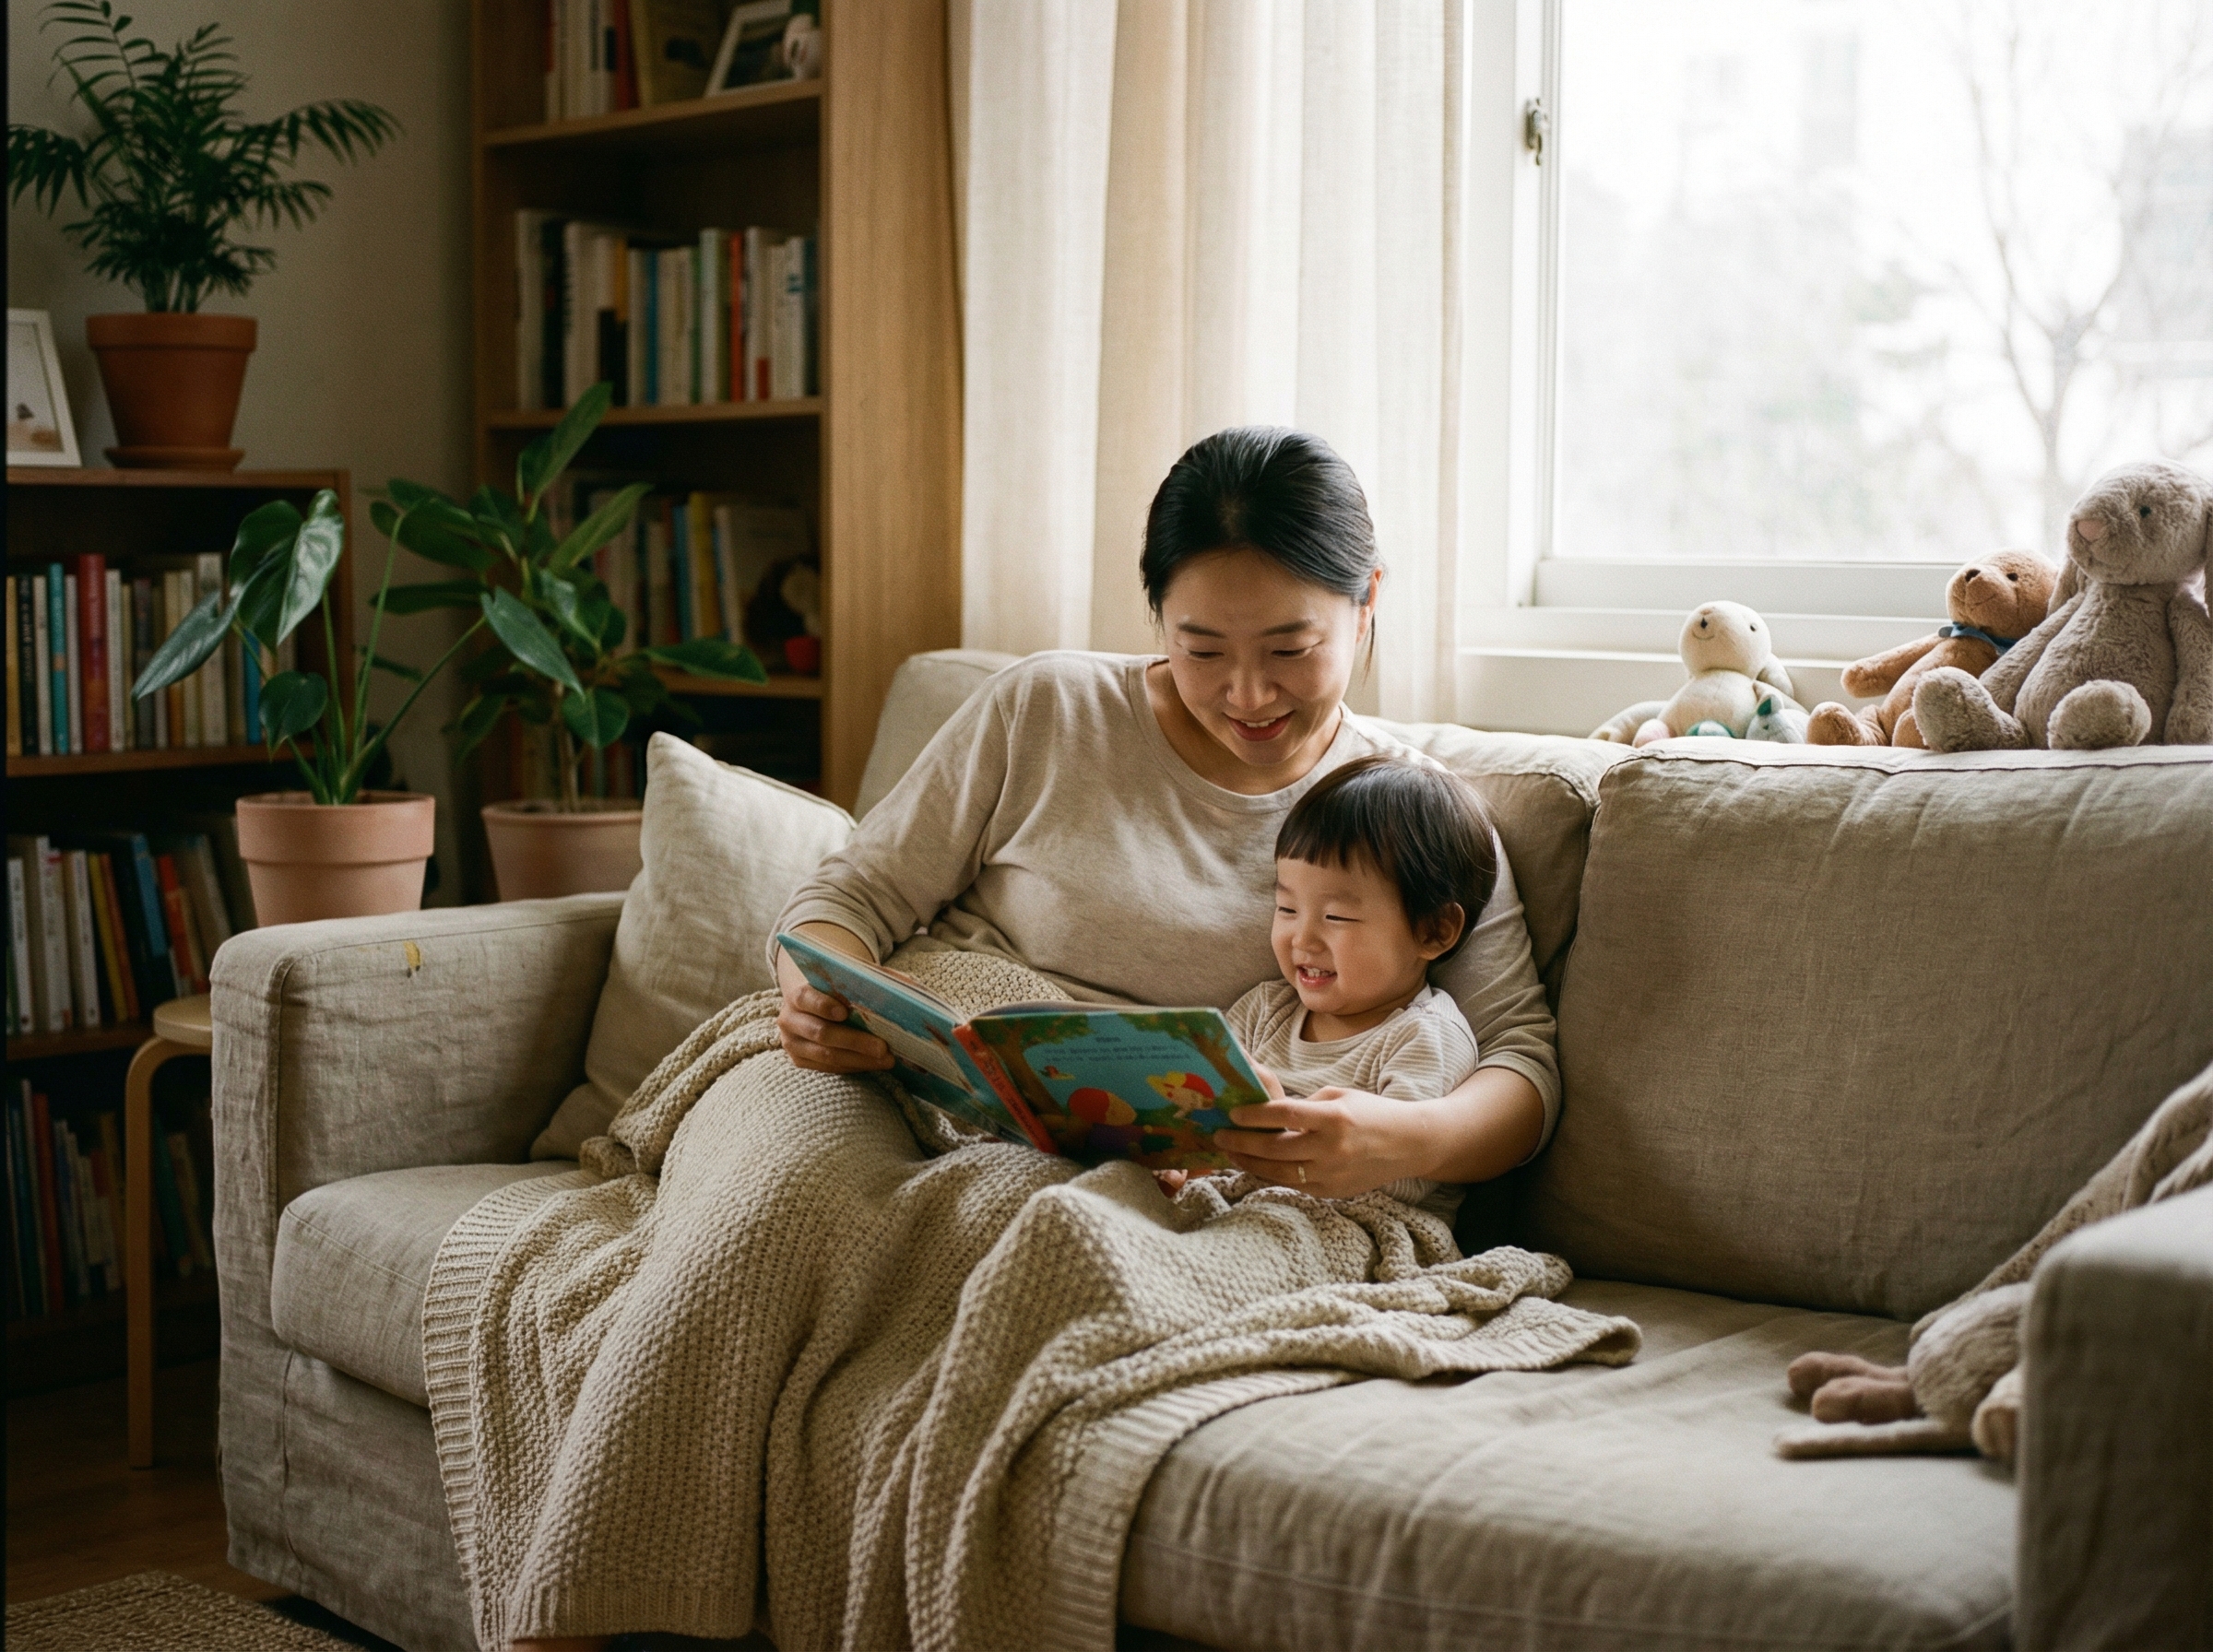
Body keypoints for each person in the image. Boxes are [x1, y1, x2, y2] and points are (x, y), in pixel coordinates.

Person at [772, 424, 1557, 1199]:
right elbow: (847, 901)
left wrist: (1393, 1140)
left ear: (1368, 600)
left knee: (1037, 1231)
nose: (1248, 695)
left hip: (1128, 1162)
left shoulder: (1409, 812)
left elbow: (1519, 1062)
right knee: (790, 1186)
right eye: (1203, 650)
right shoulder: (1046, 708)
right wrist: (812, 1000)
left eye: (1290, 650)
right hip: (916, 1071)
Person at [1209, 750, 1493, 1218]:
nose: (1302, 937)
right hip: (1238, 1203)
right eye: (1287, 909)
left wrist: (1276, 1134)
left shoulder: (1424, 1036)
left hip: (1359, 1224)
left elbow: (1398, 1178)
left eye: (1336, 916)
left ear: (1433, 931)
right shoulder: (1265, 1010)